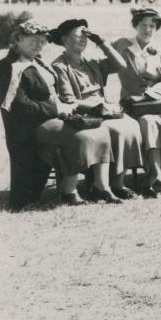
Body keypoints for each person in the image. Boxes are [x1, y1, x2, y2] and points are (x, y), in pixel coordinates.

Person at [0, 19, 118, 208]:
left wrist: (65, 106)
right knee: (80, 135)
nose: (38, 44)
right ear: (18, 39)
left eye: (42, 41)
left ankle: (101, 186)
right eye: (33, 40)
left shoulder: (38, 62)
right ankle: (69, 191)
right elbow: (20, 107)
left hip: (52, 118)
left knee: (99, 129)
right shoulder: (8, 66)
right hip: (30, 126)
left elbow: (53, 94)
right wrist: (57, 108)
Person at [51, 18, 144, 199]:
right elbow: (70, 101)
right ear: (64, 39)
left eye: (86, 36)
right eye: (79, 36)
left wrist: (102, 43)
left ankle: (118, 183)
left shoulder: (92, 61)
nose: (84, 39)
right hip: (87, 113)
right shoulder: (60, 66)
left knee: (131, 126)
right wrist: (101, 108)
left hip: (104, 109)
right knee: (116, 129)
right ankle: (101, 184)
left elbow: (121, 65)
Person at [113, 8, 161, 197]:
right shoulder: (123, 46)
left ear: (157, 28)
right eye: (143, 25)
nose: (147, 30)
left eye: (152, 26)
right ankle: (155, 172)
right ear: (135, 25)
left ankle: (155, 175)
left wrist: (149, 94)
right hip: (135, 105)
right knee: (147, 122)